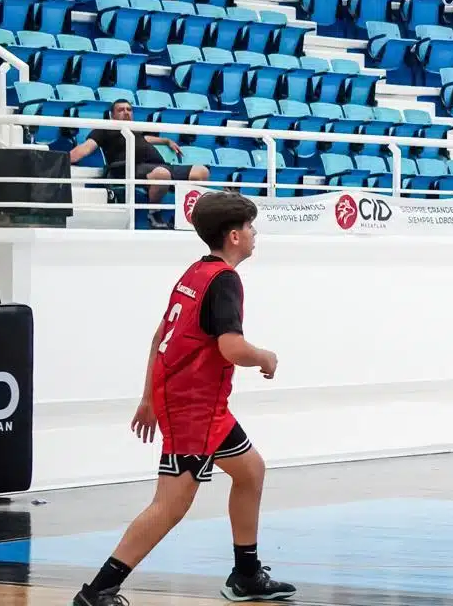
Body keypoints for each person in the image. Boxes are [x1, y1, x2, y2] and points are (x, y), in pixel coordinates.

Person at [72, 192, 293, 606]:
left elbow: (161, 337)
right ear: (233, 236)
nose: (254, 233)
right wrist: (265, 356)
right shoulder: (225, 280)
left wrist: (149, 397)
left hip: (202, 405)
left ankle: (246, 574)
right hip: (194, 408)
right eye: (249, 227)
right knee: (170, 504)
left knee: (250, 471)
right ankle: (97, 591)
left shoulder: (196, 272)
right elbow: (231, 347)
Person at [69, 99, 209, 225]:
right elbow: (85, 148)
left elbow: (145, 140)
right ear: (112, 115)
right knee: (162, 174)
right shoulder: (105, 129)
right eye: (121, 110)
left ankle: (189, 218)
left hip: (159, 165)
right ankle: (154, 213)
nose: (126, 112)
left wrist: (165, 141)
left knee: (201, 172)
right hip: (129, 167)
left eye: (129, 110)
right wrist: (63, 159)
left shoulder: (135, 130)